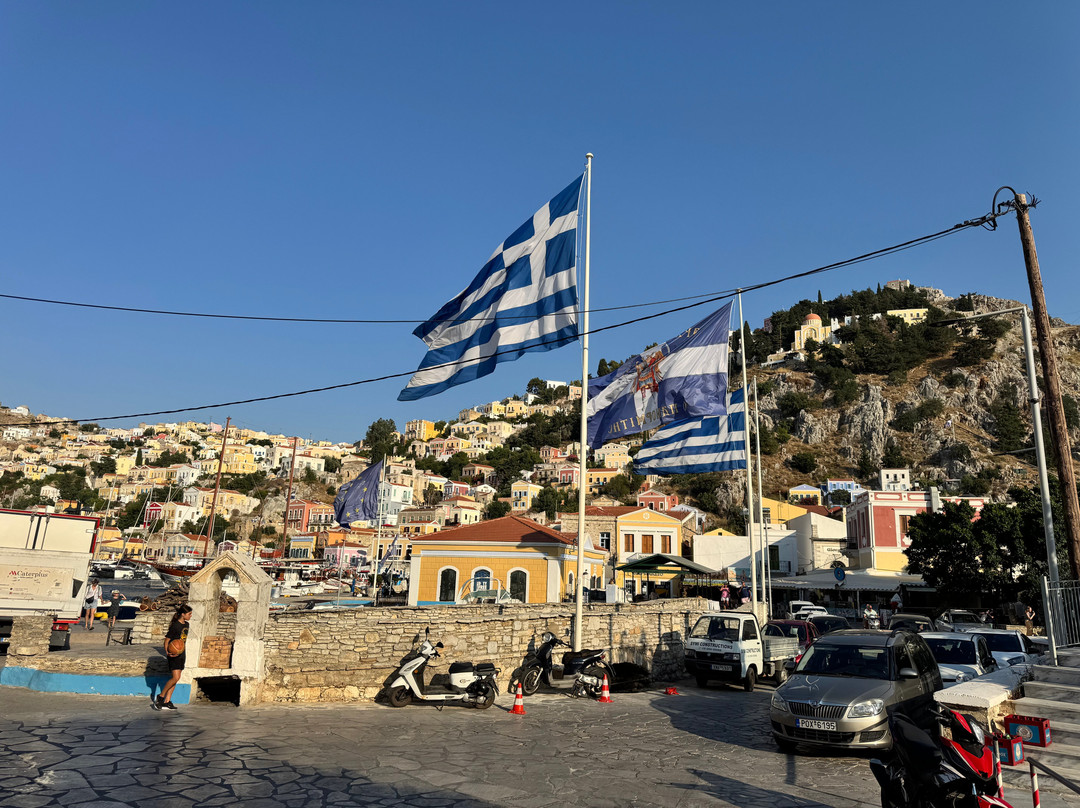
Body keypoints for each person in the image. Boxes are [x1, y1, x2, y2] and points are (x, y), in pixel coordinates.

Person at [156, 604, 192, 711]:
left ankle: (167, 701)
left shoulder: (187, 625)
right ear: (183, 614)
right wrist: (167, 652)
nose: (190, 616)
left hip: (181, 654)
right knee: (175, 678)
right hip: (173, 655)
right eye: (189, 614)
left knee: (177, 678)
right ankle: (161, 697)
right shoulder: (175, 626)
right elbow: (167, 640)